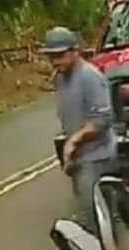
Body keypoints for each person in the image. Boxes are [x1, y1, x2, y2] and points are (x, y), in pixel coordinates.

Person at [42, 26, 118, 231]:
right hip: (80, 157)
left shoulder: (90, 76)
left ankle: (109, 249)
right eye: (51, 57)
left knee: (93, 215)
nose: (55, 62)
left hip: (97, 156)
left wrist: (74, 141)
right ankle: (114, 247)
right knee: (99, 214)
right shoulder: (60, 78)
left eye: (60, 56)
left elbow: (102, 119)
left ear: (75, 51)